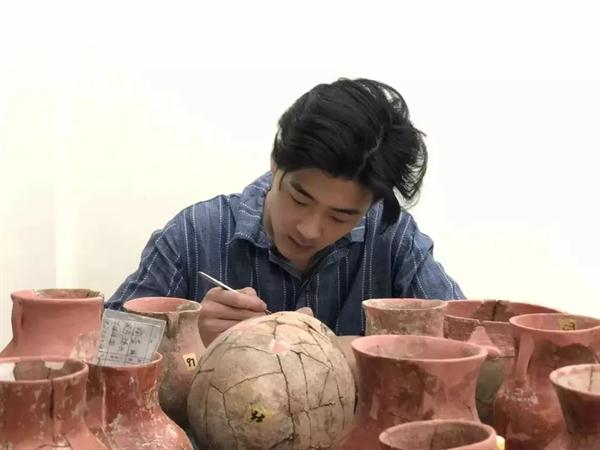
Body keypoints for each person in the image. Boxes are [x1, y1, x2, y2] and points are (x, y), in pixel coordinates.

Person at [106, 77, 465, 346]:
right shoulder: (196, 234)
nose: (310, 229)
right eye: (299, 199)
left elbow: (469, 342)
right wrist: (187, 335)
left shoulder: (392, 239)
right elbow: (104, 346)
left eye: (340, 217)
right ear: (276, 163)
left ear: (370, 207)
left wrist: (351, 351)